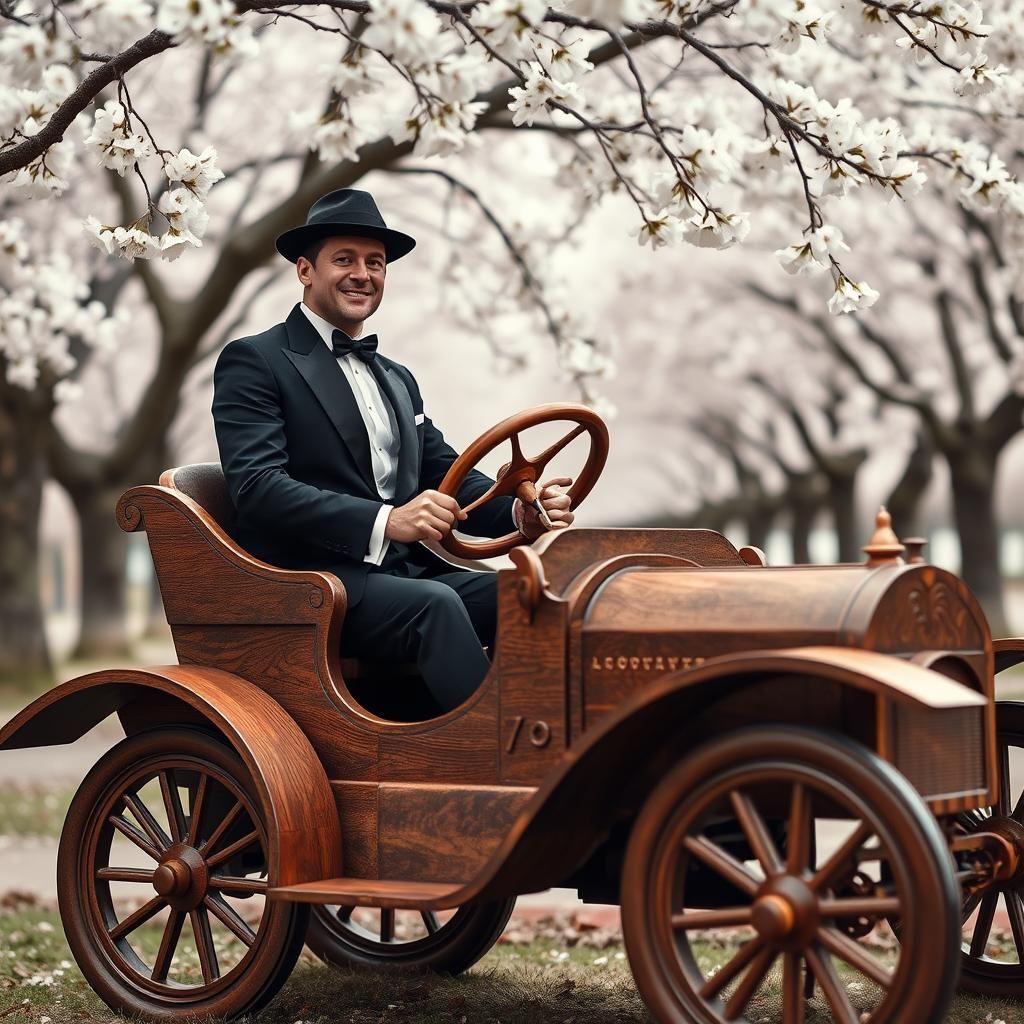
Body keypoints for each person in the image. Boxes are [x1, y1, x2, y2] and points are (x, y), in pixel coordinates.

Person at [212, 188, 573, 713]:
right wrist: (386, 521)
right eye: (345, 260)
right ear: (305, 271)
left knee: (533, 594)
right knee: (437, 605)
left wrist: (520, 509)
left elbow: (446, 472)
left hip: (406, 576)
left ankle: (562, 733)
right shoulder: (255, 360)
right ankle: (496, 758)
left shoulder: (396, 378)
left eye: (375, 263)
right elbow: (258, 489)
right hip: (314, 587)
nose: (363, 274)